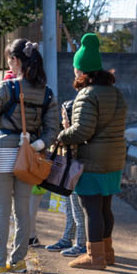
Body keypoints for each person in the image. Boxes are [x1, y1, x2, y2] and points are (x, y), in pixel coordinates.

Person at [0, 39, 58, 274]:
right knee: (23, 210)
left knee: (0, 211)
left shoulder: (7, 88)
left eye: (10, 59)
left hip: (1, 152)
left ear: (16, 61)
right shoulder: (47, 94)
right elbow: (53, 129)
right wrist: (37, 144)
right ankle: (19, 260)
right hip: (28, 156)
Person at [56, 33, 128, 270]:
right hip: (114, 158)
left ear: (82, 71)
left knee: (91, 209)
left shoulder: (87, 95)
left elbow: (83, 130)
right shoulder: (115, 93)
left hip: (93, 161)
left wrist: (62, 136)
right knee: (105, 207)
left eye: (76, 68)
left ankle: (94, 257)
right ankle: (107, 253)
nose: (74, 72)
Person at [45, 98, 88, 257]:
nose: (62, 120)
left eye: (64, 117)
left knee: (77, 212)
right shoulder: (68, 136)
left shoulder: (74, 137)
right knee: (70, 210)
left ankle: (81, 243)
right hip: (68, 178)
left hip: (74, 178)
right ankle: (67, 238)